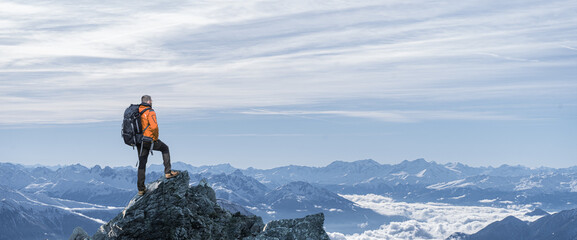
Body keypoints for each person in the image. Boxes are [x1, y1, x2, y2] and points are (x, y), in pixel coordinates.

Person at [136, 95, 179, 195]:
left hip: (139, 141)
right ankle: (168, 172)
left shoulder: (138, 111)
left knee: (142, 163)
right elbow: (154, 127)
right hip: (149, 140)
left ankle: (141, 189)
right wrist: (154, 138)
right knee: (165, 148)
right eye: (151, 100)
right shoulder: (150, 112)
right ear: (149, 101)